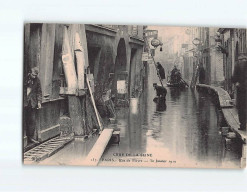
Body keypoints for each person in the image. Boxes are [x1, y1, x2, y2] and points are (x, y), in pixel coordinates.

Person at [24, 67, 42, 143]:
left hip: (32, 103)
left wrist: (39, 102)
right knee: (24, 120)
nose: (34, 77)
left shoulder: (37, 80)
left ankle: (30, 137)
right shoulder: (25, 78)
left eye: (35, 75)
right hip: (24, 102)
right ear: (30, 73)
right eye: (33, 75)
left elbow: (39, 92)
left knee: (32, 120)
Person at [232, 53, 247, 131]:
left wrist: (236, 82)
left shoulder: (237, 65)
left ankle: (243, 125)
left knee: (241, 107)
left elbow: (234, 77)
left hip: (241, 89)